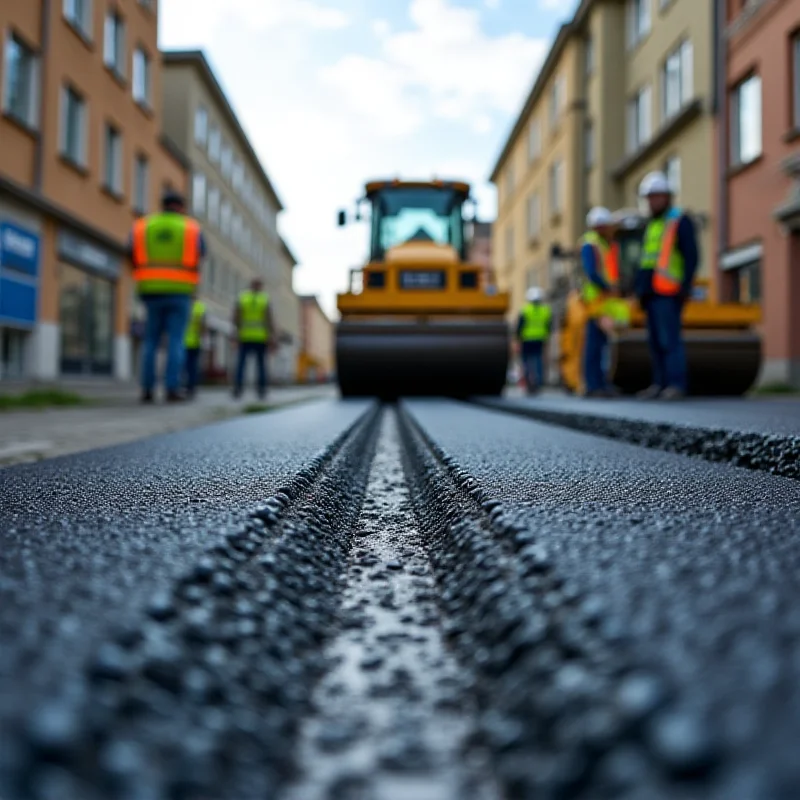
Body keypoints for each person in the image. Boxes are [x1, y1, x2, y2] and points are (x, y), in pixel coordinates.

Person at [129, 190, 205, 403]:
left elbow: (131, 253)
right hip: (180, 291)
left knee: (150, 340)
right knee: (176, 340)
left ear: (162, 205)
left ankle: (147, 389)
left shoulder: (143, 225)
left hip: (150, 290)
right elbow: (201, 255)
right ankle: (172, 389)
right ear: (180, 207)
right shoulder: (190, 228)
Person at [635, 171, 699, 400]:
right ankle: (659, 383)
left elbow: (691, 256)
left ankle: (676, 384)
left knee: (669, 340)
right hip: (651, 293)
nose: (652, 201)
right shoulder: (652, 225)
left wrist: (685, 287)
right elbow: (647, 260)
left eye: (657, 196)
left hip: (668, 293)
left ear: (667, 197)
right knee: (655, 342)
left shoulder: (679, 220)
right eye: (649, 197)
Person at [579, 206, 627, 398]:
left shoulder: (608, 246)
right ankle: (593, 385)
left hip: (605, 302)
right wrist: (608, 287)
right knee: (594, 345)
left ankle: (601, 383)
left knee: (602, 345)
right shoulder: (590, 244)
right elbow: (592, 273)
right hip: (596, 302)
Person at [233, 278, 274, 399]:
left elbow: (236, 317)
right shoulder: (264, 299)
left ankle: (238, 388)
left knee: (241, 364)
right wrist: (271, 335)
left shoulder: (243, 298)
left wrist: (236, 332)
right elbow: (269, 319)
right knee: (261, 365)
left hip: (245, 336)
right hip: (260, 337)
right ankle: (261, 389)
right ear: (260, 286)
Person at [516, 287, 552, 394]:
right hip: (540, 339)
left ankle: (528, 382)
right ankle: (538, 382)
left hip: (526, 339)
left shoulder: (525, 310)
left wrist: (517, 339)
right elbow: (548, 325)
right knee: (538, 361)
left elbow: (520, 326)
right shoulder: (545, 310)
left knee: (526, 361)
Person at [183, 291, 207, 399]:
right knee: (193, 366)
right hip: (195, 341)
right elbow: (203, 325)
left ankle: (182, 385)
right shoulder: (200, 307)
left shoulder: (182, 305)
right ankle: (191, 387)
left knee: (184, 366)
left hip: (182, 342)